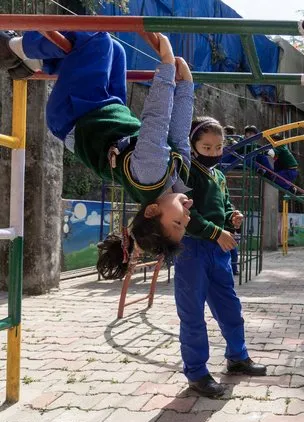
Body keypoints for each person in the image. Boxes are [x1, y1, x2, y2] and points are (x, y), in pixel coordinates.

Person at [0, 30, 195, 280]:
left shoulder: (151, 174)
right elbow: (179, 136)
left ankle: (15, 48)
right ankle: (34, 62)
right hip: (107, 108)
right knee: (116, 50)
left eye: (177, 223)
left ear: (151, 211)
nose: (187, 217)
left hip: (74, 116)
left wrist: (167, 66)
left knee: (97, 39)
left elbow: (157, 119)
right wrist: (187, 86)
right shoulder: (178, 181)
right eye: (185, 225)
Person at [174, 117, 266, 398]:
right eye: (206, 146)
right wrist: (216, 232)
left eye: (218, 147)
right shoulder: (186, 172)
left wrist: (232, 216)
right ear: (193, 144)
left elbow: (224, 205)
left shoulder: (219, 175)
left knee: (230, 307)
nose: (214, 152)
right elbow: (185, 214)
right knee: (192, 314)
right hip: (191, 250)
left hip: (218, 252)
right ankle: (197, 373)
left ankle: (237, 356)